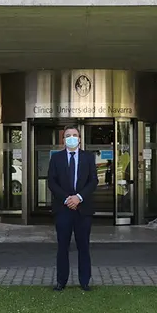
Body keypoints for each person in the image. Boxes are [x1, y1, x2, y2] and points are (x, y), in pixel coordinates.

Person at [47, 124, 98, 291]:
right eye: (68, 135)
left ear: (80, 139)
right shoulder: (56, 158)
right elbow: (52, 182)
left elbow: (93, 181)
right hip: (63, 210)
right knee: (63, 246)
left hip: (83, 210)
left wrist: (79, 197)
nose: (71, 138)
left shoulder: (88, 158)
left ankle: (84, 281)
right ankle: (61, 281)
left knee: (84, 246)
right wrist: (67, 199)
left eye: (74, 135)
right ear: (63, 140)